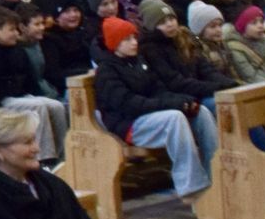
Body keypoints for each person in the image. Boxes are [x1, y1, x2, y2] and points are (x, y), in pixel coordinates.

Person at [92, 16, 219, 198]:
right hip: (128, 125)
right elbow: (128, 104)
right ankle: (192, 186)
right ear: (115, 43)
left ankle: (214, 174)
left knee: (202, 112)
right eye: (127, 39)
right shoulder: (106, 70)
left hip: (150, 116)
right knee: (174, 118)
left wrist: (183, 100)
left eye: (134, 37)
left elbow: (158, 89)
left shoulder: (139, 61)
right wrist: (168, 104)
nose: (134, 42)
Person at [0, 8, 70, 161]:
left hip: (19, 98)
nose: (16, 33)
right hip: (0, 104)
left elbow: (30, 82)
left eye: (17, 29)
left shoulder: (17, 51)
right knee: (39, 107)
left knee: (56, 106)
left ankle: (63, 156)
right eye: (11, 29)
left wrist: (37, 95)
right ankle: (43, 158)